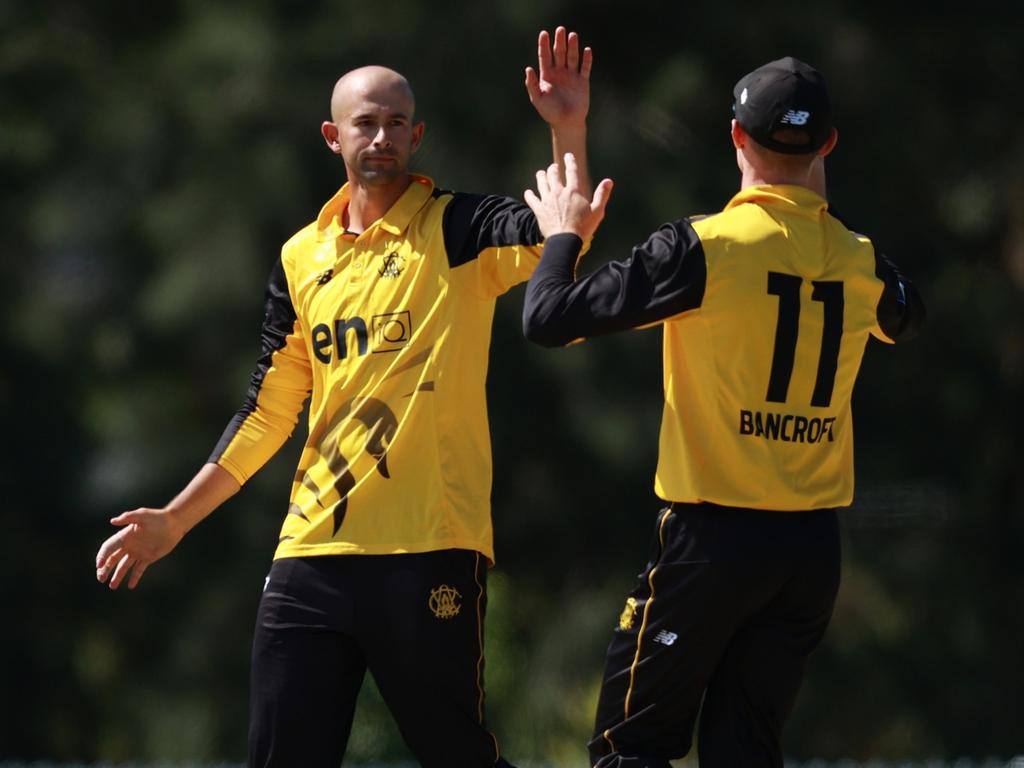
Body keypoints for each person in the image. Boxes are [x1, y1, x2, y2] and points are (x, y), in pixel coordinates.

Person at [95, 27, 593, 768]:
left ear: (417, 135)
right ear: (333, 136)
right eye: (367, 121)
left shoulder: (457, 230)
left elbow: (565, 224)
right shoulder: (301, 257)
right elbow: (267, 412)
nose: (382, 136)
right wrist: (174, 520)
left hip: (428, 549)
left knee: (457, 755)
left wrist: (567, 129)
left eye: (397, 123)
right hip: (312, 554)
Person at [521, 57, 925, 767]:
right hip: (809, 554)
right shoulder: (861, 263)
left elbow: (548, 316)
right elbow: (906, 312)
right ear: (831, 144)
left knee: (628, 748)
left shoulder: (704, 248)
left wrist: (564, 233)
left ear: (736, 136)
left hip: (711, 543)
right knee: (746, 751)